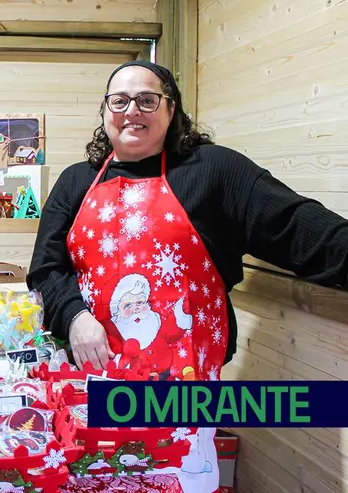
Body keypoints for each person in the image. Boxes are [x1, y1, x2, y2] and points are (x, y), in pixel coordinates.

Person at [26, 60, 348, 380]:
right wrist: (74, 317)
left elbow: (302, 229)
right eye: (119, 100)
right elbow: (45, 269)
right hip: (90, 375)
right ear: (106, 111)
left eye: (147, 100)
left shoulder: (215, 171)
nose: (132, 110)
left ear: (171, 110)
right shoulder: (75, 181)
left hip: (187, 381)